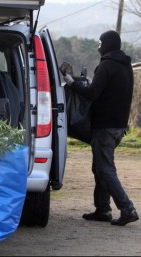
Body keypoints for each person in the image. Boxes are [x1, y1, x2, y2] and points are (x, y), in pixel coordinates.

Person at [63, 30, 139, 226]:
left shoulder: (105, 66)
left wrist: (72, 83)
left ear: (107, 45)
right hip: (119, 127)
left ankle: (127, 208)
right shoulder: (125, 66)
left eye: (100, 43)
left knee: (105, 169)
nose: (98, 46)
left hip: (104, 126)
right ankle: (102, 210)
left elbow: (93, 93)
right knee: (100, 168)